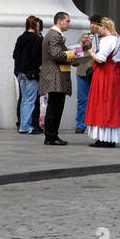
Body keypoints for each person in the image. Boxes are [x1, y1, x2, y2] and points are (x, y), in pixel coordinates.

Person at [86, 17, 120, 147]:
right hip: (114, 73)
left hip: (104, 73)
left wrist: (90, 52)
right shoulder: (119, 39)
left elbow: (100, 59)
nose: (98, 30)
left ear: (104, 27)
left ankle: (103, 139)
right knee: (111, 105)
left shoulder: (107, 40)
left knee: (101, 104)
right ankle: (109, 138)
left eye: (99, 27)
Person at [40, 11, 75, 145]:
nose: (69, 23)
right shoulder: (54, 35)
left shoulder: (54, 34)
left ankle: (51, 135)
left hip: (56, 75)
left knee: (55, 106)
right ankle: (51, 136)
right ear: (59, 21)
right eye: (67, 21)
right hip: (55, 76)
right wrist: (73, 55)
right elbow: (56, 54)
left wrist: (72, 59)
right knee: (55, 107)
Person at [12, 16, 42, 135]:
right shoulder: (36, 39)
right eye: (38, 25)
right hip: (31, 73)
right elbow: (37, 57)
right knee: (30, 100)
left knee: (24, 99)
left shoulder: (21, 38)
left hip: (20, 72)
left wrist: (17, 71)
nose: (39, 27)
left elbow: (15, 55)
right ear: (35, 25)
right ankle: (26, 126)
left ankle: (23, 124)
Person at [74, 14, 101, 133]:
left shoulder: (103, 38)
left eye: (96, 24)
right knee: (82, 99)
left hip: (95, 71)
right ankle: (81, 124)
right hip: (82, 71)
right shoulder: (84, 36)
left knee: (96, 99)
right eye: (92, 23)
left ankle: (94, 123)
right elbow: (75, 52)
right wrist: (81, 43)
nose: (93, 26)